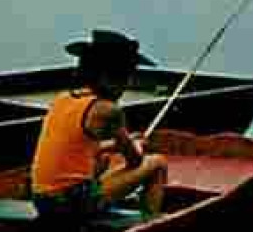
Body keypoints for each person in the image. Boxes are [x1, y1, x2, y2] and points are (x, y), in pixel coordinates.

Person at [31, 29, 168, 220]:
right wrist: (136, 144)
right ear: (107, 78)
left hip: (41, 200)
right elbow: (135, 160)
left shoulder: (63, 98)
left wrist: (113, 145)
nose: (127, 84)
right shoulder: (108, 110)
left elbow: (81, 147)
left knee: (103, 159)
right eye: (125, 77)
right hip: (72, 202)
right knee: (157, 163)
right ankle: (148, 228)